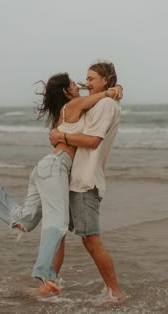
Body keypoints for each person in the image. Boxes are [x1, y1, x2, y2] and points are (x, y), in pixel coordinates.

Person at [0, 71, 122, 295]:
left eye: (86, 80)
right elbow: (101, 98)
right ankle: (45, 274)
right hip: (55, 167)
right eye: (73, 83)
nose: (78, 84)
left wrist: (116, 89)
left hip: (47, 167)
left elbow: (98, 103)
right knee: (58, 222)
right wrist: (113, 90)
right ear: (65, 91)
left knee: (26, 221)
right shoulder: (76, 104)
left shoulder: (71, 107)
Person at [49, 61, 124, 302]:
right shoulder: (98, 102)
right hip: (72, 179)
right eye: (86, 78)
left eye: (92, 78)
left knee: (91, 239)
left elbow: (92, 140)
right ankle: (47, 286)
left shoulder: (106, 105)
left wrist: (63, 135)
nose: (86, 83)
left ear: (106, 79)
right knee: (57, 234)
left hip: (86, 180)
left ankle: (115, 293)